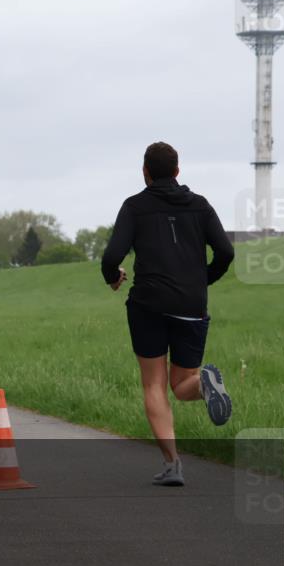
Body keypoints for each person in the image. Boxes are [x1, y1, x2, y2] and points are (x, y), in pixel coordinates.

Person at [101, 141, 235, 486]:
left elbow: (111, 256)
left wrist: (113, 277)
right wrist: (202, 280)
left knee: (155, 384)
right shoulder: (201, 206)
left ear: (145, 172)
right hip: (191, 304)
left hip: (148, 304)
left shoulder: (134, 207)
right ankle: (204, 385)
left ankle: (172, 463)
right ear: (177, 171)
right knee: (182, 383)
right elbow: (225, 251)